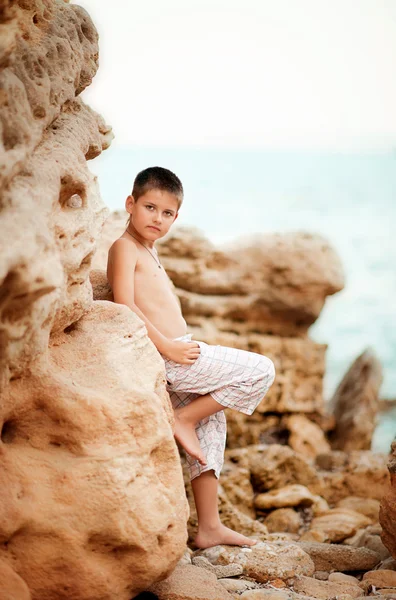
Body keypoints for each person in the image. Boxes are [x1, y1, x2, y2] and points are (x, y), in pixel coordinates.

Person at [107, 166, 275, 549]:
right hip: (172, 356)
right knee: (261, 370)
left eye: (167, 213)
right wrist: (169, 347)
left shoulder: (150, 250)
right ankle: (181, 418)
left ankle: (210, 526)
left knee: (211, 427)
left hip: (177, 351)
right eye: (150, 207)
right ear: (130, 204)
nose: (158, 218)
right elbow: (124, 305)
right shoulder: (124, 247)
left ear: (176, 217)